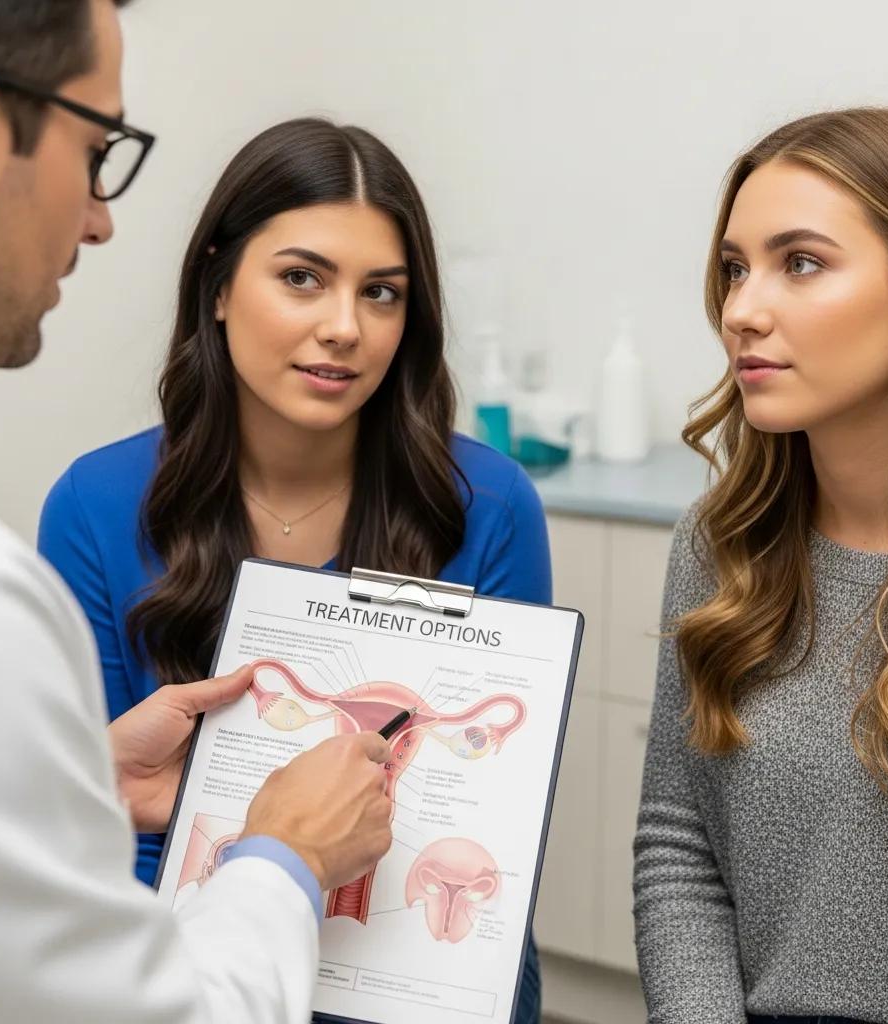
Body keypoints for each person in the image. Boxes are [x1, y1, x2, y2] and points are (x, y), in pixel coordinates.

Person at [0, 3, 394, 1022]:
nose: (99, 217)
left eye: (381, 293)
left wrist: (79, 790)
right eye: (96, 149)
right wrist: (283, 854)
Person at [37, 116, 552, 1021]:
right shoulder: (93, 503)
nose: (344, 328)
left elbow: (481, 824)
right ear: (220, 286)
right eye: (302, 278)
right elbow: (104, 829)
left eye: (382, 293)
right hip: (185, 968)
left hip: (415, 953)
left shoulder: (490, 504)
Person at [633, 108, 888, 1024]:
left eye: (801, 262)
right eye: (733, 268)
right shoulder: (722, 546)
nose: (741, 310)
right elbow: (680, 850)